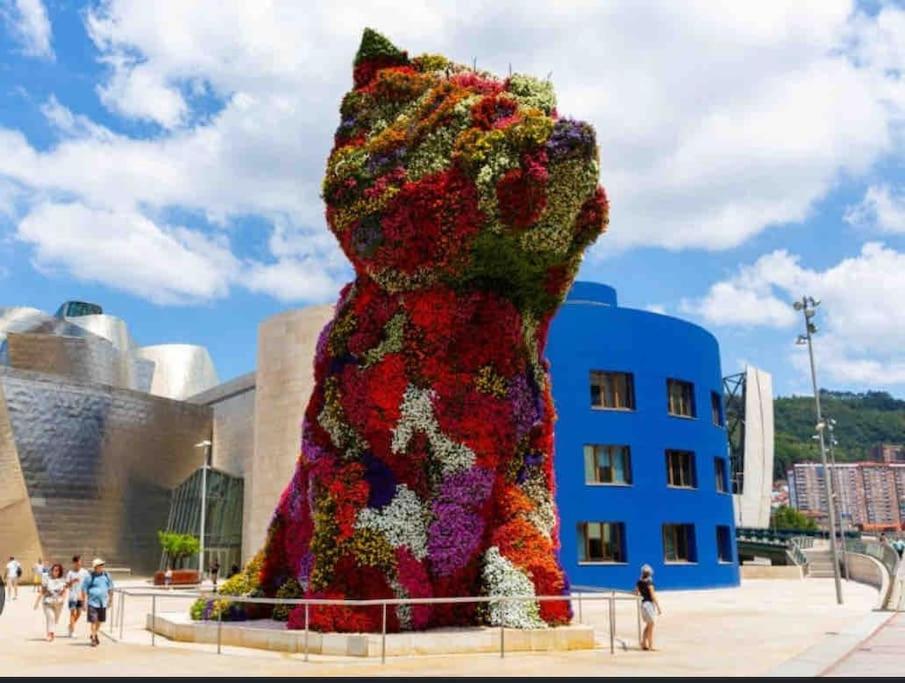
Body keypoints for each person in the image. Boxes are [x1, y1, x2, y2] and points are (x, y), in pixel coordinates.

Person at [81, 558, 114, 647]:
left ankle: (94, 634)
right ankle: (94, 639)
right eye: (100, 565)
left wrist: (110, 600)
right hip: (92, 602)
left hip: (103, 602)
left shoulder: (107, 576)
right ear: (95, 567)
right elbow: (83, 590)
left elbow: (110, 588)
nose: (101, 567)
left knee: (100, 621)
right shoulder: (89, 577)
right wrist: (83, 603)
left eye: (102, 565)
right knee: (93, 621)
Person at [34, 563, 68, 641]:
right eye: (54, 570)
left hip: (58, 603)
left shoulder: (62, 580)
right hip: (47, 602)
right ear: (52, 571)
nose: (56, 572)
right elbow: (42, 591)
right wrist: (37, 602)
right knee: (51, 617)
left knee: (55, 620)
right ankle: (50, 634)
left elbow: (64, 591)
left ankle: (51, 632)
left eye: (57, 570)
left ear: (60, 572)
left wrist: (63, 599)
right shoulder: (47, 579)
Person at [634, 564, 662, 651]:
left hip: (643, 604)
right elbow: (652, 595)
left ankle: (643, 643)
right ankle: (650, 645)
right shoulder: (649, 583)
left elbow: (636, 592)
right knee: (651, 625)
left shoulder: (639, 582)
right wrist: (658, 607)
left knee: (648, 625)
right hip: (649, 604)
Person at [65, 555, 90, 637]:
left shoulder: (85, 572)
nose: (79, 563)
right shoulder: (70, 573)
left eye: (80, 562)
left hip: (81, 596)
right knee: (72, 613)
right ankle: (72, 631)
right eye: (78, 562)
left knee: (79, 613)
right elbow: (67, 585)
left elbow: (89, 582)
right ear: (74, 563)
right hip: (72, 596)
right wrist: (72, 581)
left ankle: (70, 626)